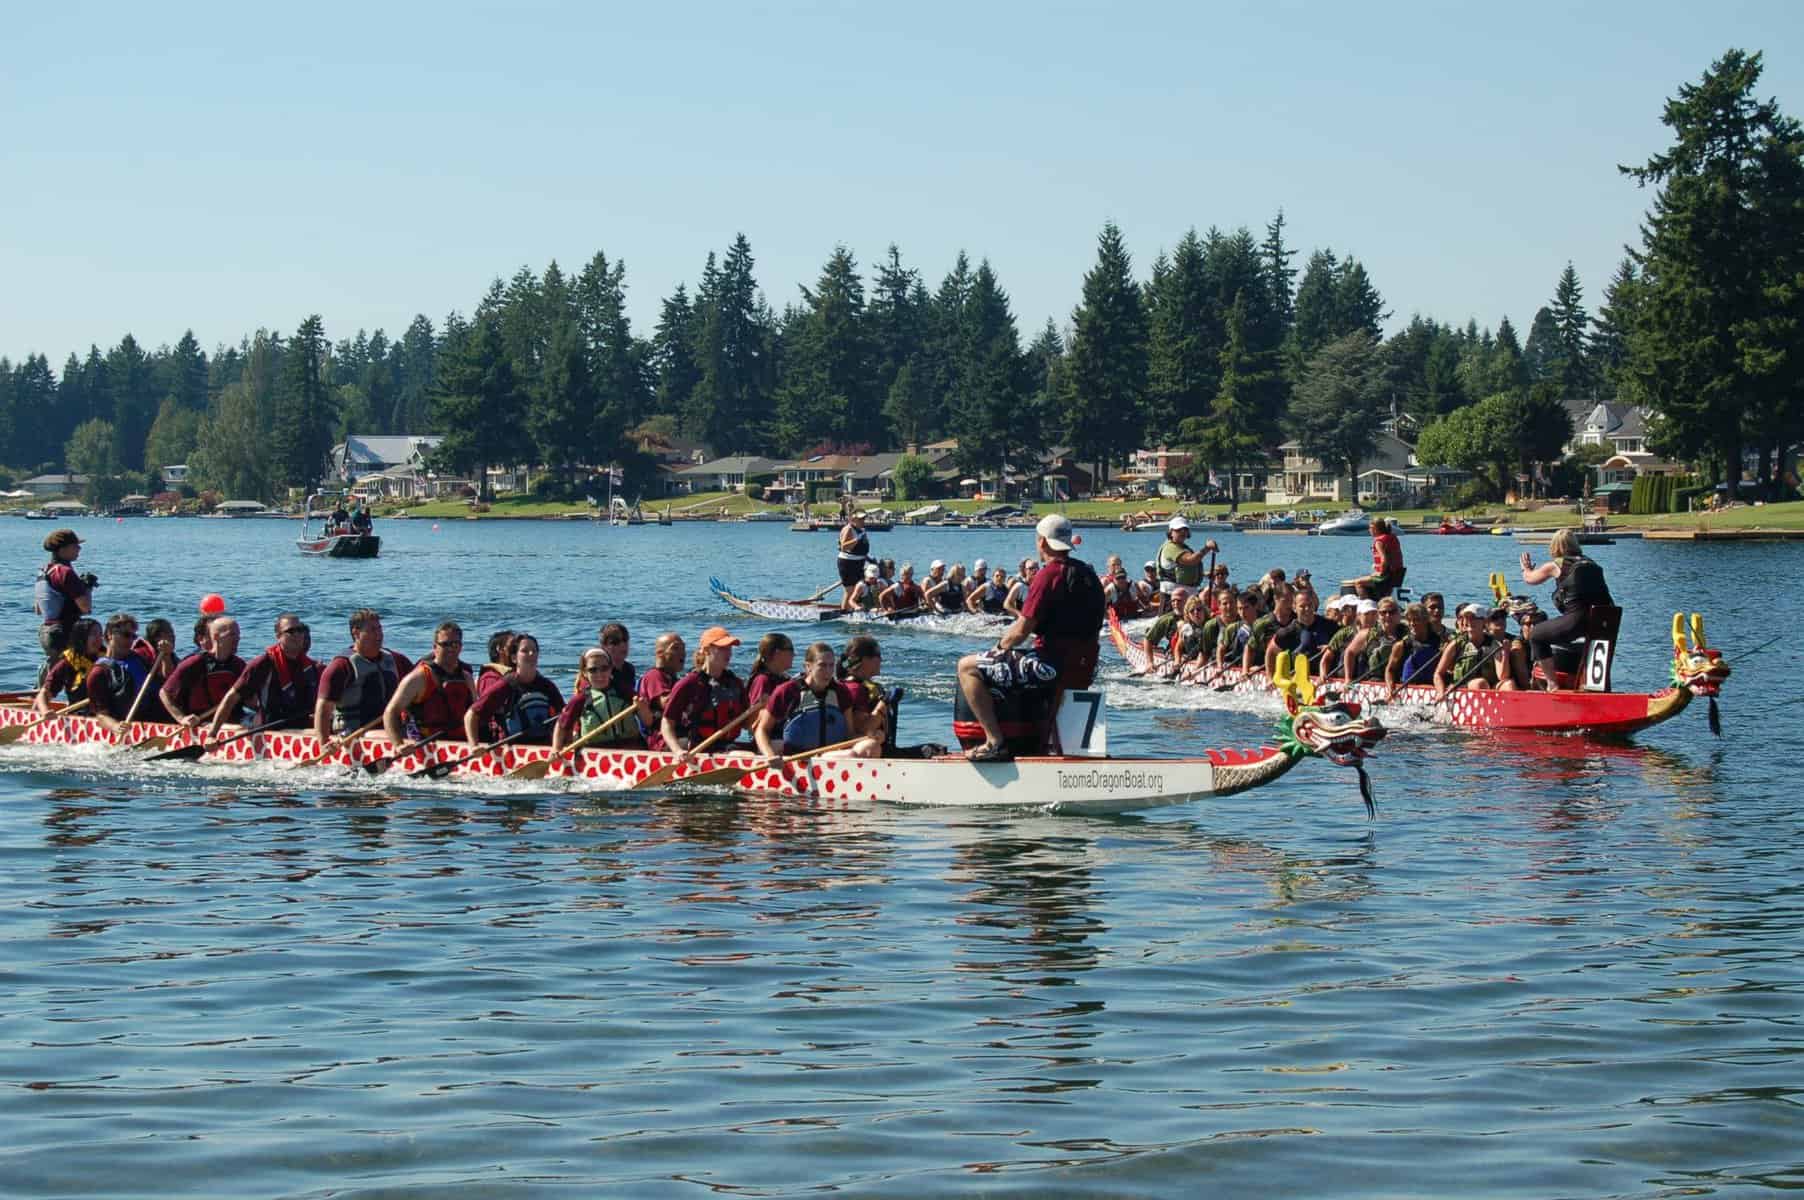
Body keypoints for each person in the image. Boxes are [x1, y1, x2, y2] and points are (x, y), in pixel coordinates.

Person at [956, 514, 1106, 762]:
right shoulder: (1089, 575)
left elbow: (1021, 629)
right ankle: (1047, 744)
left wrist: (998, 649)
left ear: (1042, 543)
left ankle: (995, 743)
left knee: (967, 667)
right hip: (1085, 667)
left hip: (1052, 667)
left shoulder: (1048, 575)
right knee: (1017, 662)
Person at [753, 642, 883, 765]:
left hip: (828, 755)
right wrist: (770, 756)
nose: (828, 671)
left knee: (871, 745)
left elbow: (849, 734)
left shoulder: (841, 692)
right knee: (850, 756)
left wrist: (869, 736)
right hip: (794, 755)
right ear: (808, 666)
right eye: (822, 665)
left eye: (831, 665)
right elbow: (761, 730)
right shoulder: (787, 691)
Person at [1520, 529, 1616, 687]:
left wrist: (1526, 568)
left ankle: (1552, 685)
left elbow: (1530, 579)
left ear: (1555, 547)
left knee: (1536, 635)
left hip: (1578, 621)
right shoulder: (1591, 563)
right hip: (1605, 621)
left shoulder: (1557, 564)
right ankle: (1598, 687)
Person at [207, 613, 320, 738]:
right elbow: (231, 698)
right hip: (273, 728)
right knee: (320, 733)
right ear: (278, 636)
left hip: (302, 723)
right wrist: (212, 735)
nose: (297, 635)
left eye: (300, 630)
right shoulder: (263, 664)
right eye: (291, 631)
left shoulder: (310, 666)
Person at [313, 609, 413, 741]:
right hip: (354, 733)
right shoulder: (341, 666)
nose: (379, 635)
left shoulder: (395, 659)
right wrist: (324, 743)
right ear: (356, 633)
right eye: (372, 630)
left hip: (390, 727)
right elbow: (323, 709)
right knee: (399, 736)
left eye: (379, 629)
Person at [658, 626, 748, 760]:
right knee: (746, 756)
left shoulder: (735, 683)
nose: (728, 653)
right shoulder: (688, 684)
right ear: (706, 650)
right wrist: (677, 751)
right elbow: (666, 723)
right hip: (699, 749)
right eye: (722, 648)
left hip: (727, 746)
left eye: (729, 648)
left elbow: (747, 723)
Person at [383, 620, 475, 745]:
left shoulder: (467, 677)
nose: (450, 649)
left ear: (460, 647)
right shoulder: (418, 678)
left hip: (459, 744)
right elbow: (390, 713)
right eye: (445, 644)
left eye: (455, 644)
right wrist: (398, 745)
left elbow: (475, 715)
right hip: (424, 745)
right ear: (435, 647)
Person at [465, 632, 564, 745]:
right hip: (511, 749)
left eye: (534, 650)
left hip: (542, 747)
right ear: (514, 658)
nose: (531, 654)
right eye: (524, 651)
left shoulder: (546, 685)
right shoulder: (507, 684)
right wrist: (474, 746)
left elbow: (565, 715)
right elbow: (471, 715)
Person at [551, 648, 643, 754]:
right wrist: (556, 748)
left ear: (611, 669)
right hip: (594, 753)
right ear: (585, 673)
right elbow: (561, 725)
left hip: (629, 750)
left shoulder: (625, 692)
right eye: (593, 670)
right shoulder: (580, 699)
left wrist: (642, 708)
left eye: (604, 668)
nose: (599, 674)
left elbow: (648, 722)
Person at [161, 616, 248, 728]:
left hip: (235, 718)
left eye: (238, 635)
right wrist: (181, 718)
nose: (237, 639)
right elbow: (164, 693)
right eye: (232, 635)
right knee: (241, 729)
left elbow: (250, 699)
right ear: (216, 637)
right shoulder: (194, 663)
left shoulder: (239, 665)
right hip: (203, 723)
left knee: (260, 721)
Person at [82, 613, 152, 732]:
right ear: (109, 635)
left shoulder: (141, 660)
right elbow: (101, 715)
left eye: (133, 636)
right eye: (126, 635)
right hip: (125, 724)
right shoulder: (99, 672)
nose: (130, 640)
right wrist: (115, 726)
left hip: (151, 719)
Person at [34, 528, 95, 663]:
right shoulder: (65, 572)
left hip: (47, 633)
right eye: (75, 546)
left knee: (57, 672)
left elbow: (38, 609)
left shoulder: (43, 572)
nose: (79, 549)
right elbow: (86, 608)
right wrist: (88, 588)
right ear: (62, 550)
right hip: (65, 633)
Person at [33, 617, 102, 715]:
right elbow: (43, 694)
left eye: (100, 634)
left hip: (106, 715)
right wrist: (45, 711)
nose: (99, 638)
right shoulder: (67, 663)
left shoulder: (108, 659)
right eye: (94, 634)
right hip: (80, 716)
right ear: (82, 637)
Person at [1434, 604, 1506, 697]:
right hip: (1461, 688)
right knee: (1480, 683)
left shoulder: (1494, 644)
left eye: (1473, 618)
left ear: (1484, 621)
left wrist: (1506, 653)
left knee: (1508, 684)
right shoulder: (1456, 644)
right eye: (1466, 618)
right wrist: (1441, 692)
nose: (1469, 621)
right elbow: (1438, 674)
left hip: (1490, 688)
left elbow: (1502, 676)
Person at [1270, 588, 1338, 674]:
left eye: (1310, 605)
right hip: (1299, 677)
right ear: (1294, 608)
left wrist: (1332, 648)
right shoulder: (1287, 632)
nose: (1307, 609)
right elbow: (1271, 652)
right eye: (1302, 606)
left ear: (1314, 605)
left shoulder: (1330, 626)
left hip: (1326, 677)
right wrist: (1269, 676)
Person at [635, 632, 687, 741]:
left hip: (680, 733)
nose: (683, 652)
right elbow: (667, 703)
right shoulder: (654, 676)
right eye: (676, 648)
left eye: (683, 648)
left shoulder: (674, 679)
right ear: (660, 653)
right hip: (662, 739)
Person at [1385, 602, 1446, 690]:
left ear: (1426, 620)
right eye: (1409, 620)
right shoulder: (1401, 645)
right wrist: (1390, 688)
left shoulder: (1440, 642)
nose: (1412, 623)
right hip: (1408, 689)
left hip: (1433, 687)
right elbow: (1390, 670)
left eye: (1416, 619)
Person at [1245, 584, 1296, 673]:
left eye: (1292, 601)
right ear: (1276, 599)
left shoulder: (1297, 620)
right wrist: (1245, 670)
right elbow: (1250, 648)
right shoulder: (1262, 624)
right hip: (1269, 669)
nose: (1290, 605)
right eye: (1286, 601)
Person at [1155, 517, 1207, 597]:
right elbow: (1190, 560)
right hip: (1172, 594)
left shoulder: (1184, 547)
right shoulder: (1170, 547)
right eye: (1178, 530)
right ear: (1171, 532)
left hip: (1187, 593)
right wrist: (1207, 548)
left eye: (1185, 529)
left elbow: (1188, 568)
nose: (1183, 532)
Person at [1357, 515, 1406, 599]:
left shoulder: (1379, 541)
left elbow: (1384, 560)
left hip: (1386, 578)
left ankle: (1367, 604)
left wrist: (1380, 573)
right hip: (1396, 576)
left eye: (1370, 528)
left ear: (1375, 529)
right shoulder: (1393, 537)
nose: (1369, 530)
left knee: (1358, 582)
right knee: (1368, 577)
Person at [745, 632, 795, 708]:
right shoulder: (762, 681)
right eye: (791, 650)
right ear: (777, 654)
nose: (794, 654)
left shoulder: (783, 678)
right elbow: (755, 716)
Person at [598, 623, 637, 703]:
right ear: (603, 646)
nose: (622, 645)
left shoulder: (629, 669)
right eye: (615, 642)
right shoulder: (598, 672)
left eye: (625, 640)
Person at [836, 510, 870, 595]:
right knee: (850, 592)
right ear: (853, 519)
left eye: (863, 518)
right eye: (860, 519)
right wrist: (857, 539)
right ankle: (845, 609)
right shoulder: (849, 529)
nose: (862, 521)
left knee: (858, 590)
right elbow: (844, 547)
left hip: (859, 563)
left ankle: (853, 607)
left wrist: (869, 558)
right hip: (848, 563)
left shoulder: (861, 530)